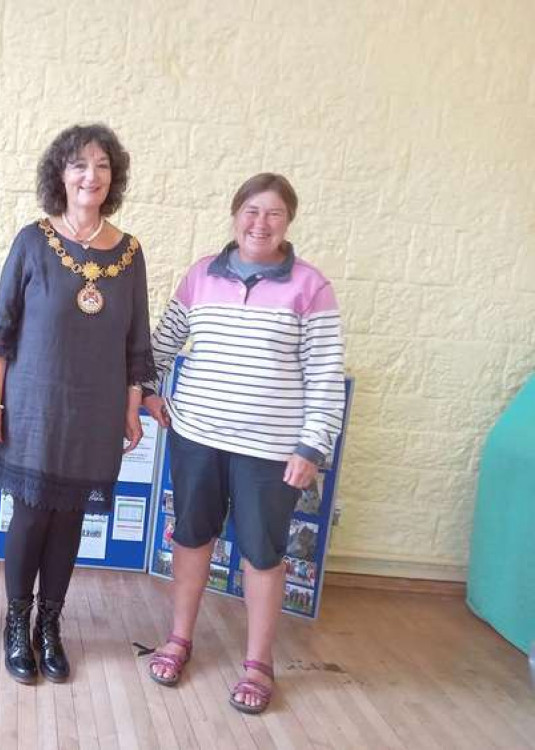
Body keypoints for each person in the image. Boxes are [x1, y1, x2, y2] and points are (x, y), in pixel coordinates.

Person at [143, 173, 345, 713]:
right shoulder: (200, 276)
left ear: (289, 221)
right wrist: (146, 392)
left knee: (262, 554)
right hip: (196, 438)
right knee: (191, 539)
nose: (261, 222)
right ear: (235, 216)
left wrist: (311, 447)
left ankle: (258, 663)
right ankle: (179, 639)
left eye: (273, 213)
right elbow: (162, 342)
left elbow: (325, 375)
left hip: (269, 451)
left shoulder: (311, 286)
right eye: (251, 211)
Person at [0, 124, 155, 684]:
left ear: (114, 178)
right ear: (61, 174)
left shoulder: (129, 253)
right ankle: (16, 624)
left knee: (71, 520)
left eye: (102, 166)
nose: (91, 175)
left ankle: (49, 627)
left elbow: (138, 342)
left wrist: (130, 410)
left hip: (96, 412)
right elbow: (1, 330)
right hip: (33, 408)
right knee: (31, 516)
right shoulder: (33, 241)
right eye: (79, 164)